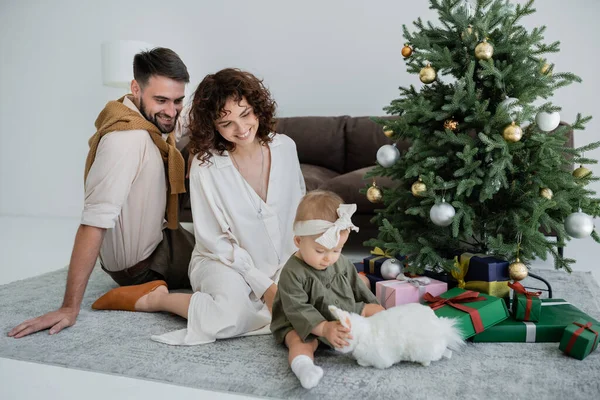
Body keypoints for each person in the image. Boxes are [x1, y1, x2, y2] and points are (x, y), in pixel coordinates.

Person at [89, 68, 306, 345]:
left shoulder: (285, 148)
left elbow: (300, 211)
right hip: (222, 260)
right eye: (226, 123)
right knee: (228, 318)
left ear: (257, 108)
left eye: (245, 113)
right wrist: (264, 287)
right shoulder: (207, 166)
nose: (241, 129)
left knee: (311, 305)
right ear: (213, 125)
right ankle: (158, 300)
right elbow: (215, 241)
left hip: (279, 260)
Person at [8, 47, 194, 339]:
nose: (171, 111)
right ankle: (147, 297)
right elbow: (93, 224)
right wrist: (69, 308)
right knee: (230, 264)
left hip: (161, 238)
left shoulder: (140, 116)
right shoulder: (126, 141)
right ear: (136, 88)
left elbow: (182, 122)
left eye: (178, 100)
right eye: (161, 100)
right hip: (144, 266)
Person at [270, 190, 385, 389]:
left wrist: (369, 308)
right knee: (299, 340)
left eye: (336, 250)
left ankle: (391, 335)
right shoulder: (292, 273)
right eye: (320, 250)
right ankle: (304, 367)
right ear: (298, 241)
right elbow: (297, 309)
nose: (328, 258)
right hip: (303, 323)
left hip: (341, 310)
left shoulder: (340, 262)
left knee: (377, 310)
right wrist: (323, 328)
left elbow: (358, 290)